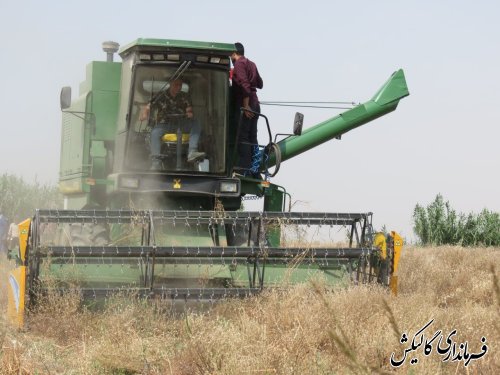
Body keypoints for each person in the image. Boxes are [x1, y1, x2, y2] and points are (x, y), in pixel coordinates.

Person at [140, 78, 205, 170]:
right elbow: (148, 106)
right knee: (154, 132)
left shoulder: (184, 96)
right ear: (170, 84)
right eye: (176, 85)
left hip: (181, 124)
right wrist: (145, 113)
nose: (178, 87)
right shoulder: (161, 95)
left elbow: (189, 110)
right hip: (165, 125)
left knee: (196, 123)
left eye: (180, 85)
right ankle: (156, 162)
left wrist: (190, 113)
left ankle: (192, 152)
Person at [231, 42, 263, 176]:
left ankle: (243, 170)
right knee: (252, 137)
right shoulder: (252, 64)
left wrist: (245, 105)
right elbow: (260, 84)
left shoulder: (239, 64)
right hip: (256, 104)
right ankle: (254, 168)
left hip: (248, 105)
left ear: (233, 53)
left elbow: (244, 85)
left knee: (242, 137)